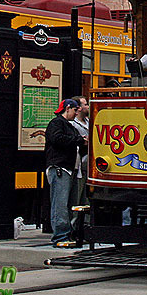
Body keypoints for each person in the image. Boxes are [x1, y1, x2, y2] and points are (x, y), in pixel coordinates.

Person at [45, 99, 85, 246]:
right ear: (68, 108)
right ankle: (60, 237)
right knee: (60, 204)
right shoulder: (56, 123)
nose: (76, 114)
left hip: (70, 169)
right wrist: (79, 140)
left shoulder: (68, 126)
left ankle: (68, 234)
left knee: (70, 204)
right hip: (60, 168)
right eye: (75, 110)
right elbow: (57, 139)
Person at [69, 96, 90, 229]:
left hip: (89, 167)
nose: (88, 106)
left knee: (86, 199)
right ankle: (73, 228)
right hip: (79, 166)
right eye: (85, 104)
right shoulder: (73, 124)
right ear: (79, 108)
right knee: (76, 199)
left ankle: (86, 227)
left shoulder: (89, 121)